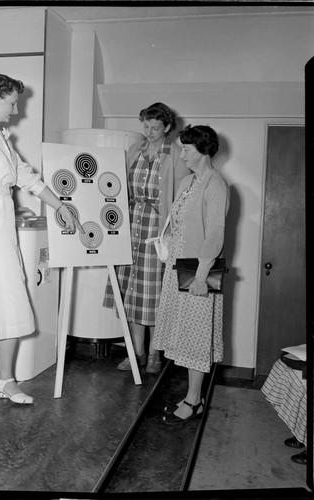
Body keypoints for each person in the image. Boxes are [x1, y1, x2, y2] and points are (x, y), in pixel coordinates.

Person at [0, 73, 82, 404]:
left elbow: (26, 176)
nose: (16, 108)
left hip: (1, 225)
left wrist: (60, 206)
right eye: (12, 101)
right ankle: (1, 378)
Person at [104, 102, 190, 373]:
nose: (149, 132)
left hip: (157, 231)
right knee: (131, 294)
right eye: (146, 126)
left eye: (155, 127)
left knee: (153, 294)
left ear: (167, 128)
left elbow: (180, 199)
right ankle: (135, 352)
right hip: (130, 227)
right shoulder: (134, 151)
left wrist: (174, 234)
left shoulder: (177, 155)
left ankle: (154, 354)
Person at [153, 124, 230, 423]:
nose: (181, 153)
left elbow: (215, 235)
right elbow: (179, 223)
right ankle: (191, 396)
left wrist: (201, 276)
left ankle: (194, 401)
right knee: (183, 335)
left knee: (195, 339)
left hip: (198, 273)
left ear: (203, 150)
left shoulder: (216, 184)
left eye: (186, 148)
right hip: (178, 267)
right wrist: (167, 241)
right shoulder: (188, 182)